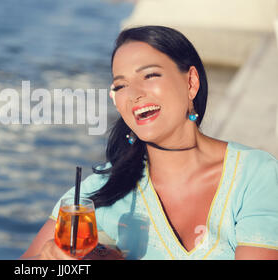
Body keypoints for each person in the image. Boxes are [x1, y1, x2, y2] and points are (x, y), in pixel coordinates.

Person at [20, 26, 278, 260]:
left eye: (150, 75)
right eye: (120, 86)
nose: (133, 94)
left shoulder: (255, 175)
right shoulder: (97, 193)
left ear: (191, 82)